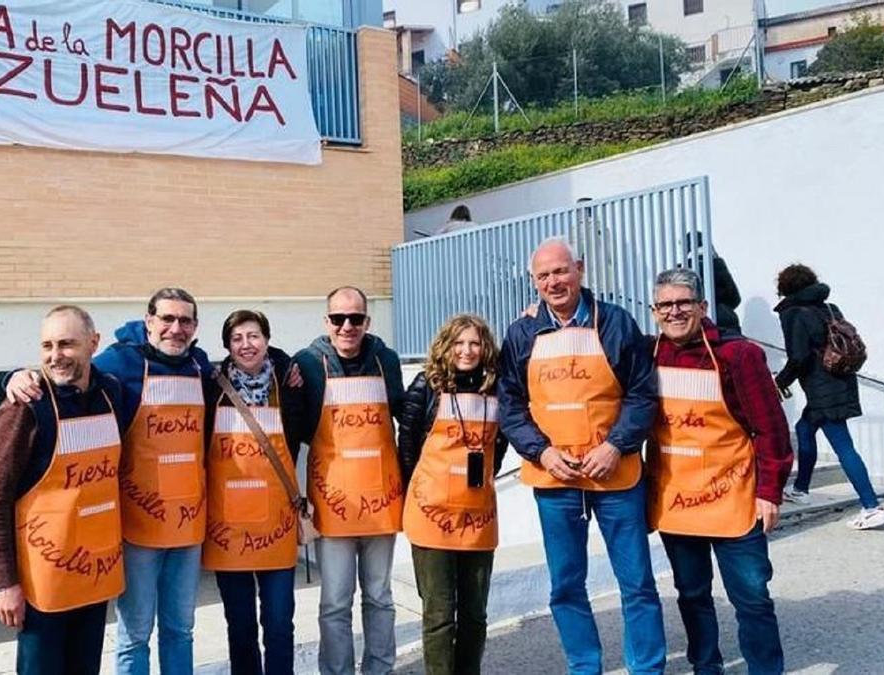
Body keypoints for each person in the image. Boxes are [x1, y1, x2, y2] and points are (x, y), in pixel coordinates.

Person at [7, 288, 213, 675]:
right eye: (166, 319)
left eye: (185, 321)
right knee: (134, 634)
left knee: (181, 630)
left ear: (195, 327)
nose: (175, 328)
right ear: (149, 322)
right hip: (137, 530)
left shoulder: (199, 364)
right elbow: (67, 371)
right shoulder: (120, 362)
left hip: (188, 527)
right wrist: (17, 376)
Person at [498, 237, 665, 675]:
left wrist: (616, 446)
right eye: (544, 275)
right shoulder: (521, 332)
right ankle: (584, 666)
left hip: (616, 475)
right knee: (566, 585)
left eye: (561, 271)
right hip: (555, 480)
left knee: (637, 583)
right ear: (534, 282)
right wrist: (541, 452)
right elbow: (510, 404)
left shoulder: (616, 323)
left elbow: (643, 394)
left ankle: (646, 667)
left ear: (580, 269)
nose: (554, 282)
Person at [648, 268, 792, 675]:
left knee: (752, 597)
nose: (675, 312)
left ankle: (766, 669)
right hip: (678, 503)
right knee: (692, 596)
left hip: (736, 499)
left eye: (683, 303)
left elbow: (771, 429)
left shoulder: (739, 355)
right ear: (654, 311)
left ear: (702, 307)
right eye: (666, 305)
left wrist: (770, 492)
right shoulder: (649, 354)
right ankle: (705, 667)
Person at [0, 305, 128, 675]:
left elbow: (147, 340)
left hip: (94, 576)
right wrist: (4, 584)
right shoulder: (24, 407)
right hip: (43, 585)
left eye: (66, 344)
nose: (54, 355)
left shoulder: (111, 394)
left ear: (93, 343)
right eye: (46, 346)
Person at [284, 286, 405, 675]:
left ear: (367, 321)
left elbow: (408, 413)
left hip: (382, 499)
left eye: (355, 318)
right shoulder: (307, 363)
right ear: (327, 321)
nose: (347, 326)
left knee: (380, 597)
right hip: (331, 504)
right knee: (335, 602)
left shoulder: (386, 359)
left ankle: (379, 669)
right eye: (339, 318)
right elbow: (295, 429)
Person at [398, 314, 508, 675]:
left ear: (485, 348)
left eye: (474, 343)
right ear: (446, 346)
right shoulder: (426, 386)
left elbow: (500, 446)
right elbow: (408, 445)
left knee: (475, 614)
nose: (467, 351)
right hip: (431, 518)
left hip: (478, 517)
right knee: (440, 614)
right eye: (459, 343)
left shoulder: (497, 389)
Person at [202, 310, 302, 675]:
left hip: (276, 523)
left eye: (254, 336)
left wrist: (288, 362)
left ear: (268, 340)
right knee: (240, 626)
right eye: (237, 338)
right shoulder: (210, 386)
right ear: (227, 346)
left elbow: (303, 432)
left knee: (279, 624)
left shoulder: (289, 385)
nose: (246, 345)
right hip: (229, 529)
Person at [773, 264, 884, 529]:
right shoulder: (829, 308)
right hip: (842, 380)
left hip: (822, 388)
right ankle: (801, 490)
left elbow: (799, 356)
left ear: (785, 287)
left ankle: (871, 507)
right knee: (804, 428)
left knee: (843, 446)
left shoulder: (793, 313)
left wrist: (780, 382)